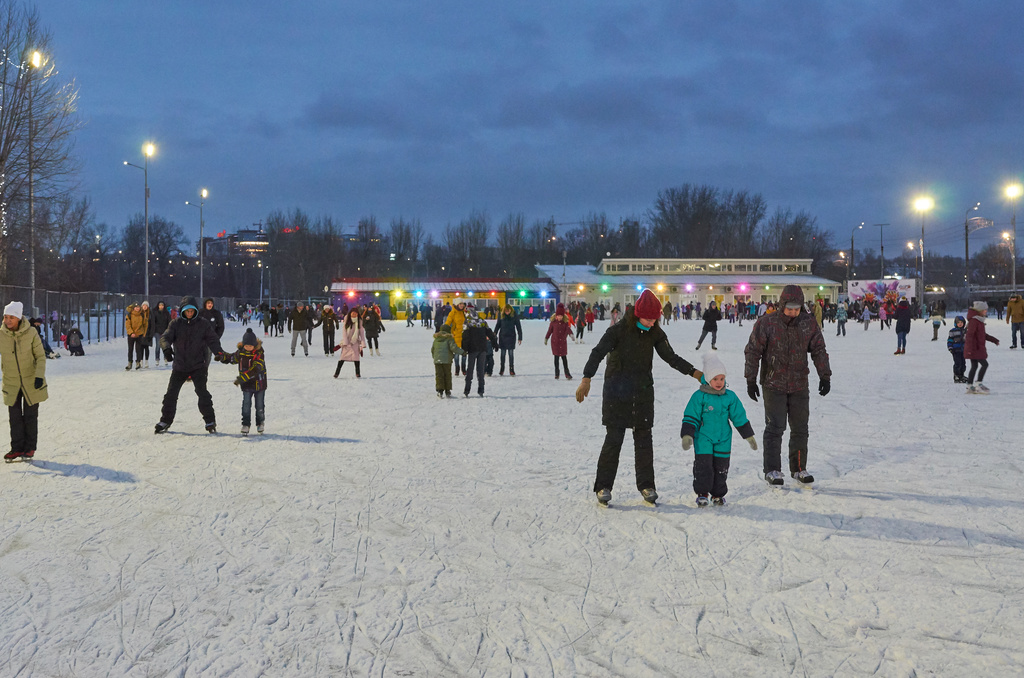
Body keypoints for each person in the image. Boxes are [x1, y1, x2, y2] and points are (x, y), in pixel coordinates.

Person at [576, 289, 703, 506]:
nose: (652, 322)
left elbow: (670, 357)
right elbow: (597, 352)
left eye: (655, 319)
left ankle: (646, 486)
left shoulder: (655, 332)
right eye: (648, 318)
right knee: (613, 440)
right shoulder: (617, 331)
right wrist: (586, 378)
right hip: (617, 392)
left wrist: (695, 373)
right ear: (637, 314)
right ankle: (603, 487)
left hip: (642, 392)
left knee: (644, 441)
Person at [744, 284, 831, 486]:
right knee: (775, 427)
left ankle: (799, 468)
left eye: (796, 308)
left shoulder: (808, 323)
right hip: (773, 383)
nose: (793, 312)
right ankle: (773, 469)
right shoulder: (767, 323)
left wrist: (824, 375)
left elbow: (819, 349)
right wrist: (751, 379)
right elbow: (753, 351)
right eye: (789, 308)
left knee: (800, 428)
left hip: (799, 383)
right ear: (782, 304)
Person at [681, 354, 757, 507]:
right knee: (704, 467)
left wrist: (749, 436)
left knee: (721, 468)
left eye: (721, 379)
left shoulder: (730, 397)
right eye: (715, 379)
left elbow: (739, 417)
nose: (719, 382)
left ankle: (717, 494)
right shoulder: (699, 397)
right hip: (704, 438)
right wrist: (687, 435)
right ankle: (702, 493)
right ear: (708, 379)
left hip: (723, 438)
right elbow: (691, 416)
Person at [155, 296, 227, 434]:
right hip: (180, 365)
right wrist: (167, 349)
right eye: (186, 311)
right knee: (171, 394)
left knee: (203, 394)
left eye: (191, 311)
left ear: (195, 311)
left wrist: (219, 353)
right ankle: (165, 420)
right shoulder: (175, 324)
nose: (189, 313)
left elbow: (213, 340)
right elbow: (165, 337)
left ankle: (210, 421)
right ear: (182, 311)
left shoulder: (203, 324)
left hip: (198, 365)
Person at [1, 302, 47, 462]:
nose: (7, 320)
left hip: (31, 380)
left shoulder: (31, 332)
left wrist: (39, 376)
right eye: (5, 317)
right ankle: (16, 448)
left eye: (11, 317)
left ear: (19, 317)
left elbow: (41, 356)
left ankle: (29, 448)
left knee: (30, 416)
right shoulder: (1, 334)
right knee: (14, 417)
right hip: (11, 381)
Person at [219, 328, 267, 435]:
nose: (248, 348)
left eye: (250, 346)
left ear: (254, 345)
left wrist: (242, 378)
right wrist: (222, 357)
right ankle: (246, 424)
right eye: (246, 346)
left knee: (259, 405)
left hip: (259, 384)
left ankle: (260, 423)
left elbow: (256, 369)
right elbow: (232, 358)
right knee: (246, 405)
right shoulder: (241, 353)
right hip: (246, 385)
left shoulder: (259, 354)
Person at [460, 306, 496, 397]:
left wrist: (464, 349)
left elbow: (465, 337)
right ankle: (481, 390)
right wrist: (495, 344)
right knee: (481, 370)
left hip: (472, 349)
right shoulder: (482, 321)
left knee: (470, 370)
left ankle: (467, 390)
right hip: (483, 349)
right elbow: (491, 334)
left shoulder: (467, 322)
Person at [964, 301, 999, 394]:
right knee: (984, 364)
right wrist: (970, 349)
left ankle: (969, 386)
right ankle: (978, 385)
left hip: (976, 348)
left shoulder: (979, 321)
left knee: (974, 366)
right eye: (984, 310)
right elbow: (969, 336)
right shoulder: (974, 321)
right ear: (979, 311)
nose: (986, 311)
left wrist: (994, 340)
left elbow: (983, 335)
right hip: (975, 348)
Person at [431, 323, 465, 398]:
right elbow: (454, 348)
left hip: (437, 360)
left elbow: (432, 350)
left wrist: (435, 357)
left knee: (439, 375)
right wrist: (462, 352)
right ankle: (447, 390)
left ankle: (440, 390)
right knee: (447, 375)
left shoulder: (436, 339)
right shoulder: (449, 339)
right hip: (447, 360)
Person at [545, 303, 576, 379]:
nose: (560, 317)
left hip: (562, 343)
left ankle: (567, 373)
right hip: (555, 343)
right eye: (558, 316)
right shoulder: (553, 323)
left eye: (561, 316)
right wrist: (546, 338)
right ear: (556, 316)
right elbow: (549, 331)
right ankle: (557, 373)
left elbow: (568, 329)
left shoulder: (565, 323)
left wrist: (571, 335)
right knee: (556, 358)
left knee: (564, 358)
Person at [332, 308, 365, 378]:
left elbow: (361, 332)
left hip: (355, 342)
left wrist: (363, 343)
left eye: (355, 313)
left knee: (356, 359)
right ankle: (336, 373)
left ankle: (358, 373)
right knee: (342, 359)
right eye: (353, 313)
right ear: (350, 313)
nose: (354, 314)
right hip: (346, 342)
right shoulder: (347, 319)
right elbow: (344, 330)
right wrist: (345, 341)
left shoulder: (359, 321)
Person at [493, 305, 523, 376]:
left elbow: (518, 327)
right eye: (506, 311)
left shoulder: (514, 315)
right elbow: (498, 325)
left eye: (508, 311)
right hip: (502, 337)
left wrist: (520, 337)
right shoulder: (501, 315)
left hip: (511, 336)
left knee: (511, 354)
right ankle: (502, 369)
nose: (507, 312)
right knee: (502, 354)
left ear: (511, 310)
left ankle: (511, 369)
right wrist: (494, 334)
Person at [199, 298, 226, 367]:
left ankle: (204, 373)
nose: (210, 305)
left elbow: (220, 327)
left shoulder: (216, 314)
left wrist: (216, 337)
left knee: (207, 358)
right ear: (205, 304)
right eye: (208, 303)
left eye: (211, 303)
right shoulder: (200, 313)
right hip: (199, 340)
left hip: (210, 340)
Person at [125, 303, 148, 371]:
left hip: (139, 334)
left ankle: (138, 362)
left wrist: (143, 333)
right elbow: (127, 325)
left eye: (138, 307)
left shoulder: (142, 315)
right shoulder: (129, 315)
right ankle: (130, 362)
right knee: (130, 349)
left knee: (138, 349)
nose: (137, 308)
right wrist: (131, 333)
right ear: (133, 308)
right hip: (131, 335)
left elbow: (145, 325)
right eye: (136, 307)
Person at [448, 300, 468, 376]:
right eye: (460, 304)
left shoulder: (465, 313)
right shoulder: (453, 313)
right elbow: (448, 323)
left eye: (462, 304)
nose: (462, 305)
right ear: (457, 304)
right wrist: (450, 333)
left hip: (464, 336)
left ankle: (464, 369)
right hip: (456, 336)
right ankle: (457, 369)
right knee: (456, 355)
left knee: (464, 354)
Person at [150, 301, 172, 366]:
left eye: (162, 305)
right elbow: (153, 322)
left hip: (165, 332)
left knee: (165, 346)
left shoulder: (166, 313)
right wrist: (154, 330)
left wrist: (168, 330)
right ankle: (157, 359)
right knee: (158, 346)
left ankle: (166, 358)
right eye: (160, 305)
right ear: (158, 306)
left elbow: (169, 322)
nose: (161, 307)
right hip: (157, 332)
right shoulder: (155, 313)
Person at [947, 315, 967, 383]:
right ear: (956, 323)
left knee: (963, 363)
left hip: (963, 350)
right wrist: (950, 347)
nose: (960, 324)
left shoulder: (965, 331)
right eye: (959, 322)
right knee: (957, 363)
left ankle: (961, 375)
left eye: (962, 322)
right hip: (956, 350)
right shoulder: (953, 331)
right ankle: (956, 375)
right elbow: (950, 340)